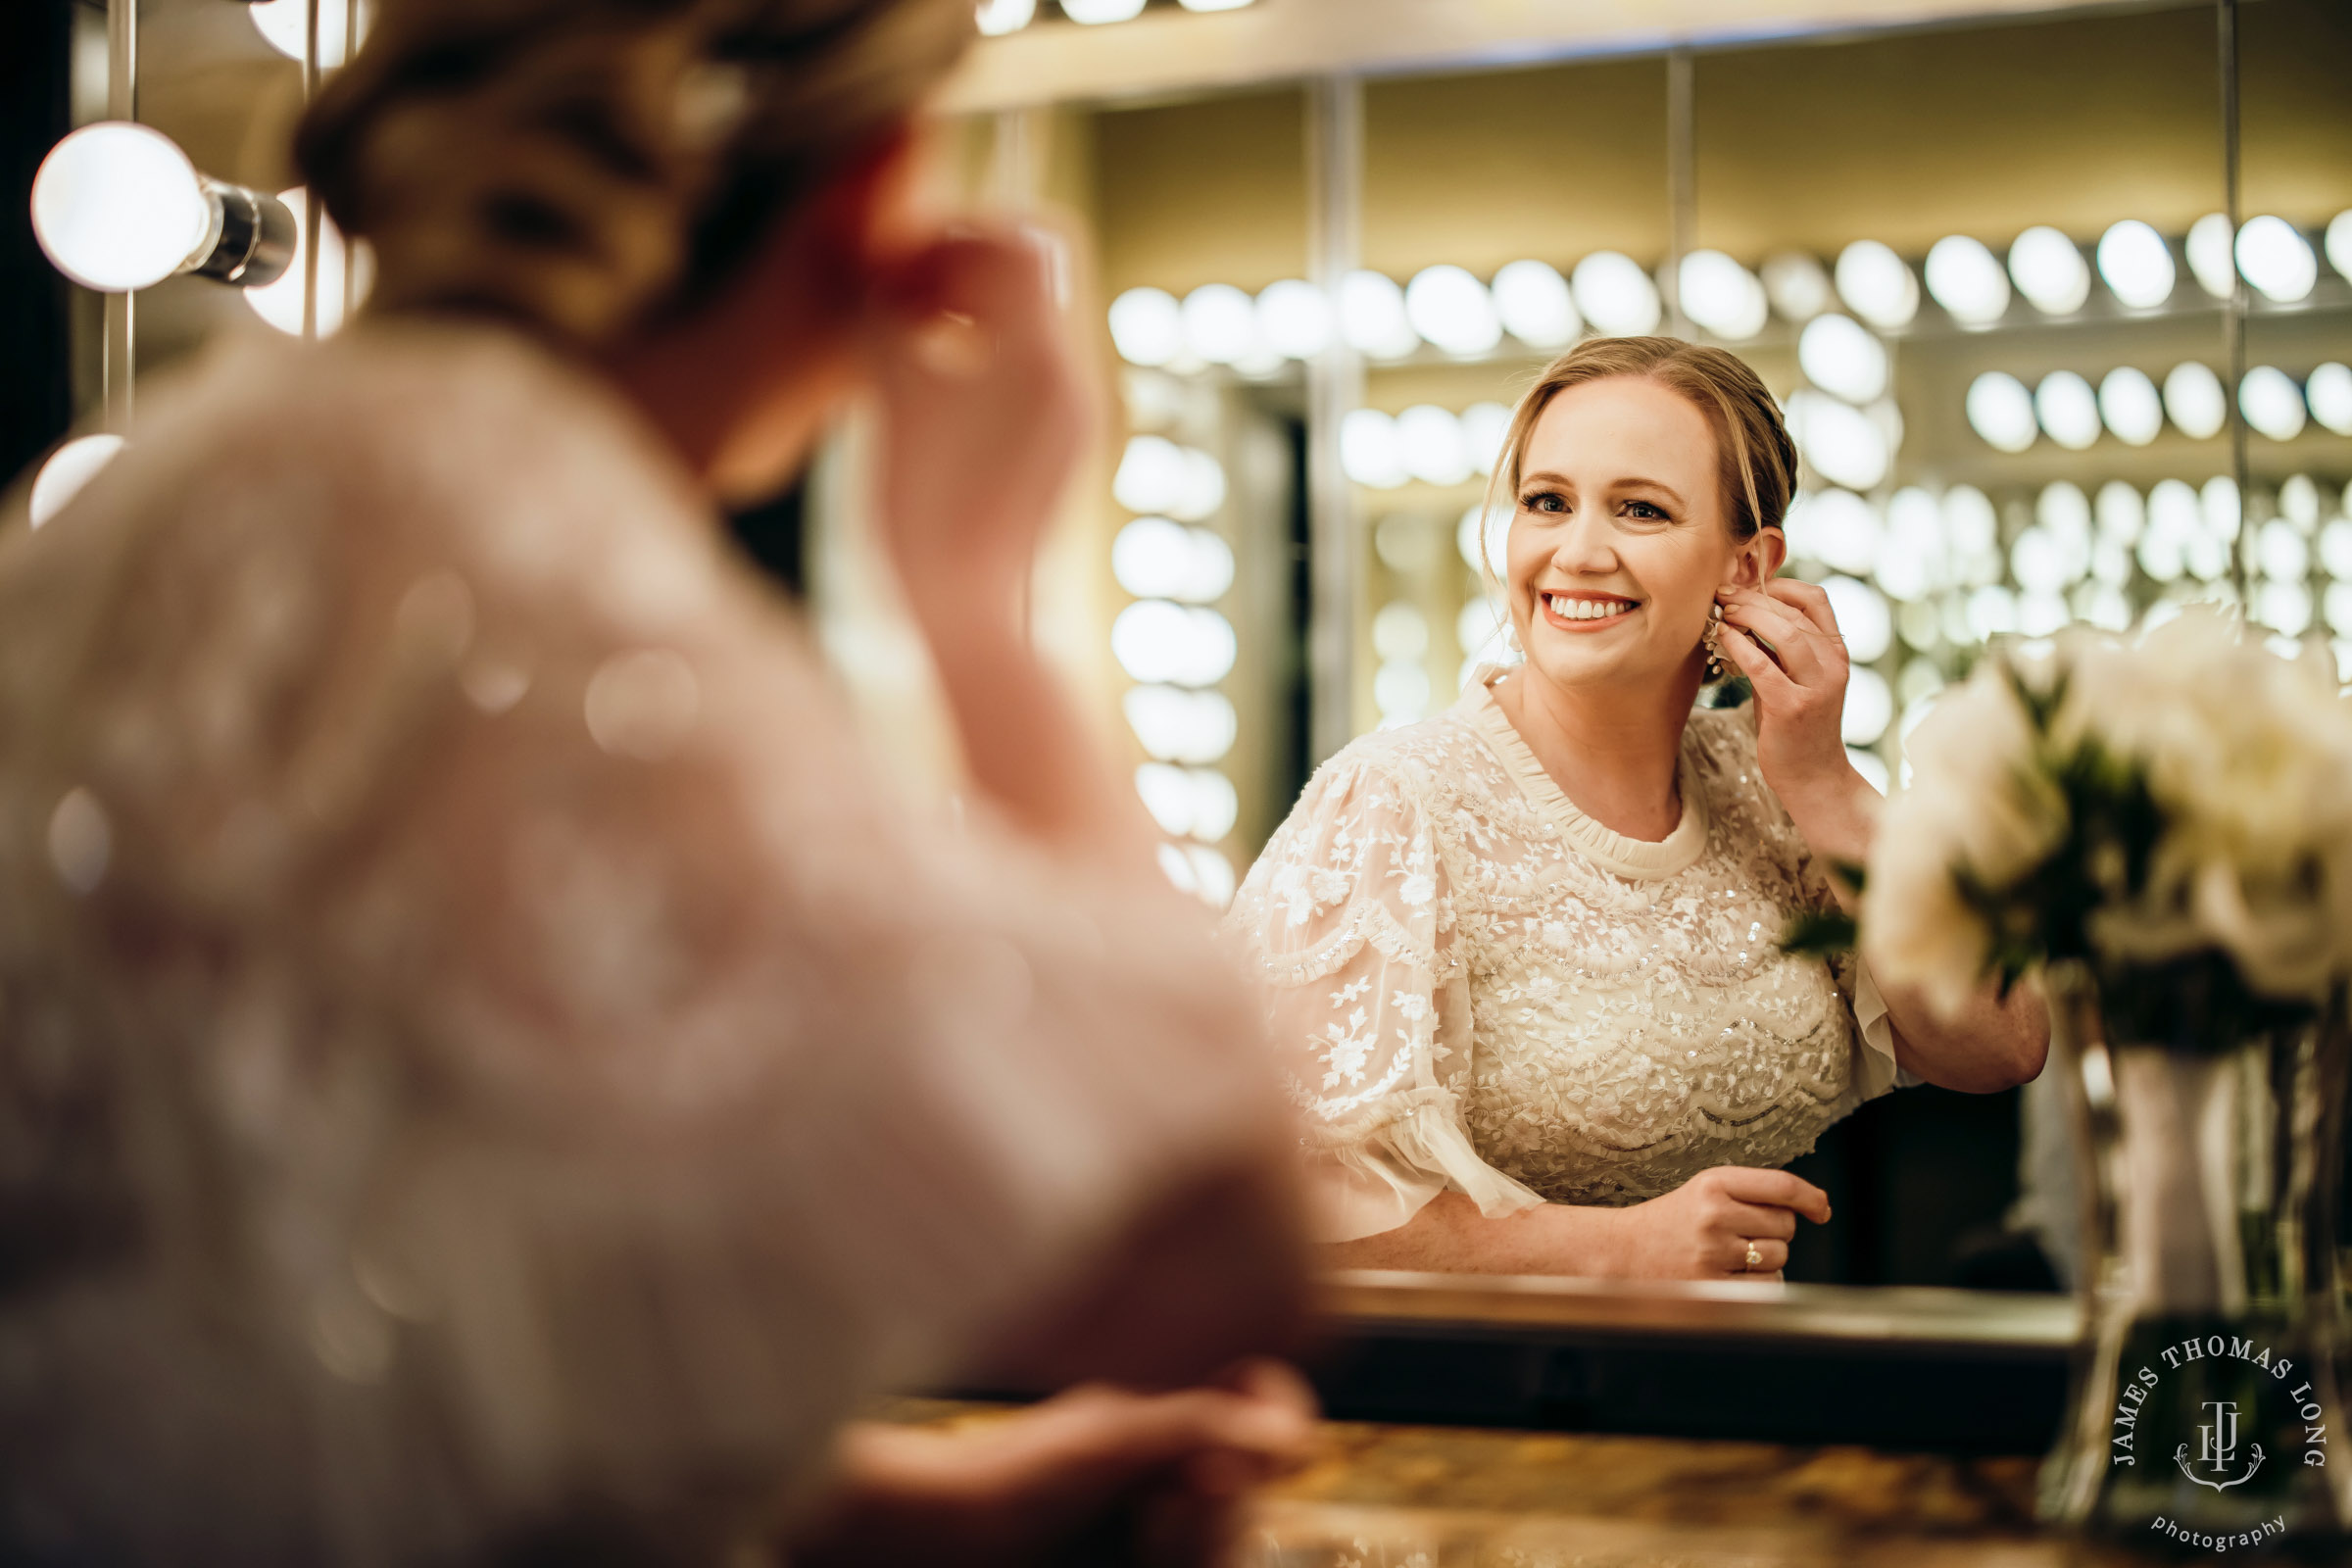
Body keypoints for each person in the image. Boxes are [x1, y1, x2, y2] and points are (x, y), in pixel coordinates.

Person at [0, 0, 1315, 1561]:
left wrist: (916, 1507)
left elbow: (310, 1348)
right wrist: (978, 607)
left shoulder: (133, 504)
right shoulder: (560, 587)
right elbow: (1212, 1250)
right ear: (873, 189)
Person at [1226, 336, 2047, 1280]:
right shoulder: (1392, 804)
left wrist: (1821, 779)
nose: (1577, 552)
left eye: (1640, 510)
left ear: (1747, 566)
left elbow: (2003, 1043)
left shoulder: (1771, 789)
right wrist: (1618, 1248)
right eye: (1547, 503)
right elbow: (1261, 1214)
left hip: (1735, 1389)